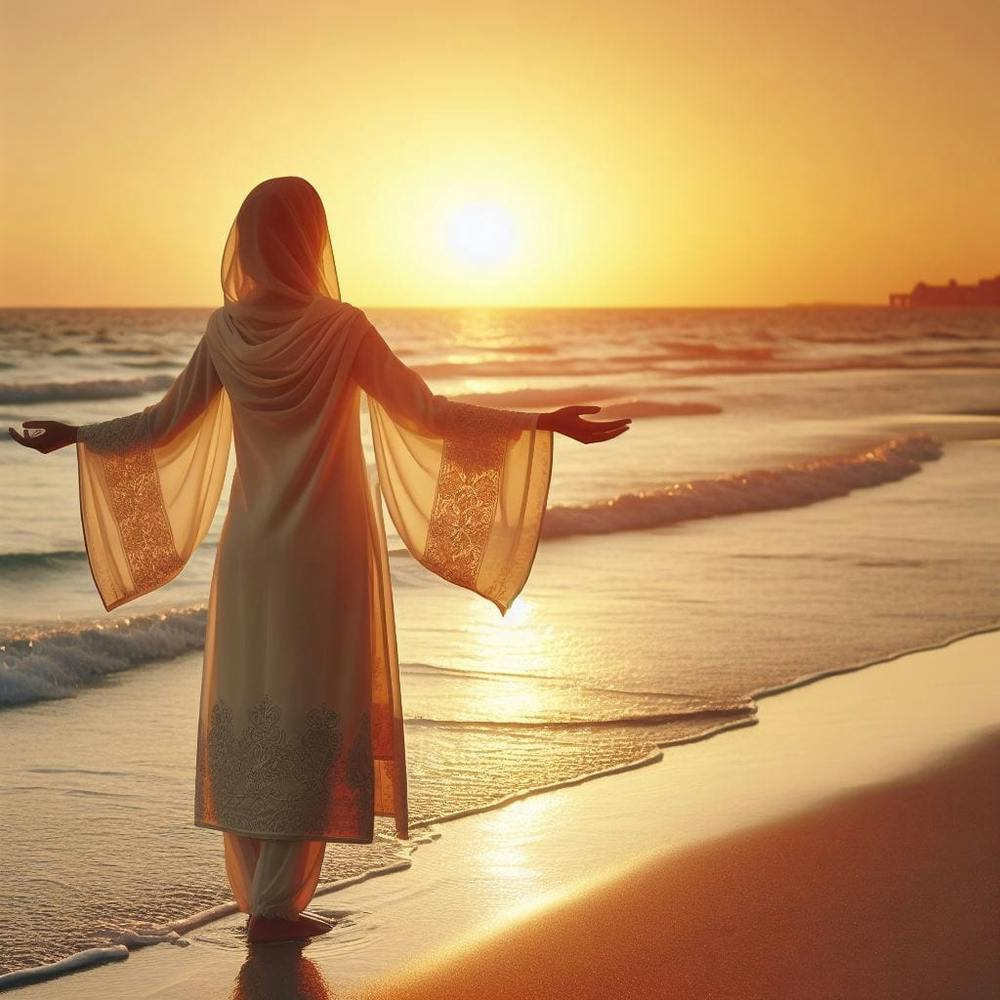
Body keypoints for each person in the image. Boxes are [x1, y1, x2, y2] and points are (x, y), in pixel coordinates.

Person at [8, 176, 631, 944]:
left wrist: (77, 436)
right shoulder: (343, 328)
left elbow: (160, 424)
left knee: (259, 695)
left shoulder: (225, 331)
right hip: (329, 546)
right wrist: (541, 423)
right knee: (310, 701)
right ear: (312, 241)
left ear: (251, 243)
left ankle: (265, 899)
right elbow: (425, 415)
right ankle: (279, 902)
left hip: (254, 550)